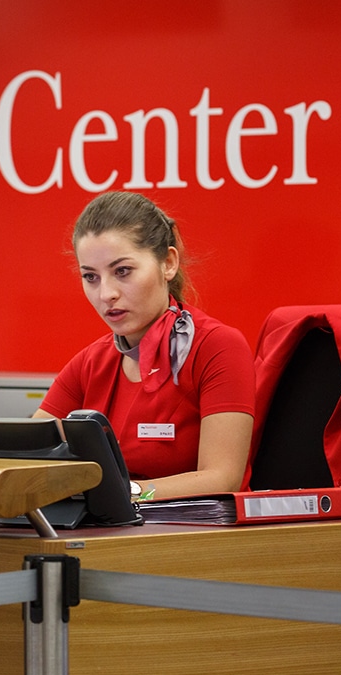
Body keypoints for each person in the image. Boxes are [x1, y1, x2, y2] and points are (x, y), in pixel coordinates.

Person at [33, 191, 255, 502]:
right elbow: (27, 455)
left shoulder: (218, 347)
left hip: (193, 540)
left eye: (122, 271)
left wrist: (125, 492)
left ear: (168, 263)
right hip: (107, 534)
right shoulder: (91, 362)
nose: (106, 293)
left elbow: (222, 477)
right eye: (90, 277)